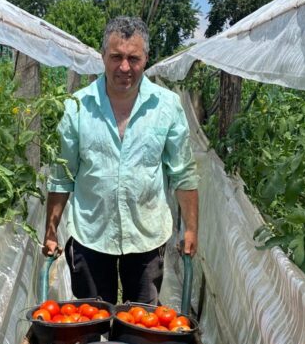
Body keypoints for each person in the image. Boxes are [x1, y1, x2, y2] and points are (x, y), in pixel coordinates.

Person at [43, 15, 199, 305]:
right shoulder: (78, 106)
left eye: (133, 58)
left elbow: (183, 172)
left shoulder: (166, 106)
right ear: (103, 56)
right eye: (116, 57)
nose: (124, 67)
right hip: (91, 232)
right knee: (90, 320)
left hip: (147, 234)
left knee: (139, 323)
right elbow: (62, 175)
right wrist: (51, 231)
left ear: (146, 58)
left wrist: (190, 229)